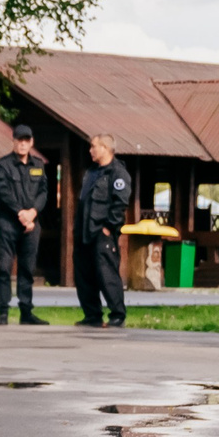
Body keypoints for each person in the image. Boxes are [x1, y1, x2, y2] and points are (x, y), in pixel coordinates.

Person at [72, 133, 130, 328]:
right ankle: (92, 315)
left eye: (93, 146)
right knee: (83, 275)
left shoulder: (117, 173)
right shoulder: (91, 172)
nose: (90, 150)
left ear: (105, 148)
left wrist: (108, 227)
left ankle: (117, 315)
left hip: (101, 231)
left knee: (106, 274)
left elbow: (120, 203)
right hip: (84, 231)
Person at [0, 122, 47, 326]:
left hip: (31, 225)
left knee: (27, 268)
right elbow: (3, 192)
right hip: (8, 224)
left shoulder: (39, 165)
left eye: (26, 140)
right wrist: (21, 213)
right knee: (4, 267)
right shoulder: (3, 165)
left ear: (31, 142)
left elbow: (43, 192)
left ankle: (26, 312)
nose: (23, 144)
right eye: (19, 140)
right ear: (14, 142)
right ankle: (3, 311)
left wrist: (32, 213)